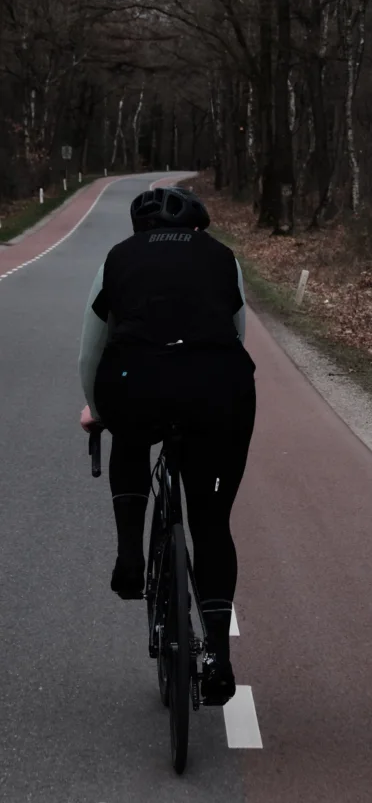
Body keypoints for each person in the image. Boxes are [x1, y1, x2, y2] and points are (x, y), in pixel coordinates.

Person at [78, 185, 256, 706]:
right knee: (211, 520)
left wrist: (96, 409)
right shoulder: (225, 259)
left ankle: (130, 557)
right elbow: (237, 335)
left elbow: (92, 347)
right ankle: (218, 657)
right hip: (218, 390)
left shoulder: (118, 258)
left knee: (128, 437)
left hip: (136, 382)